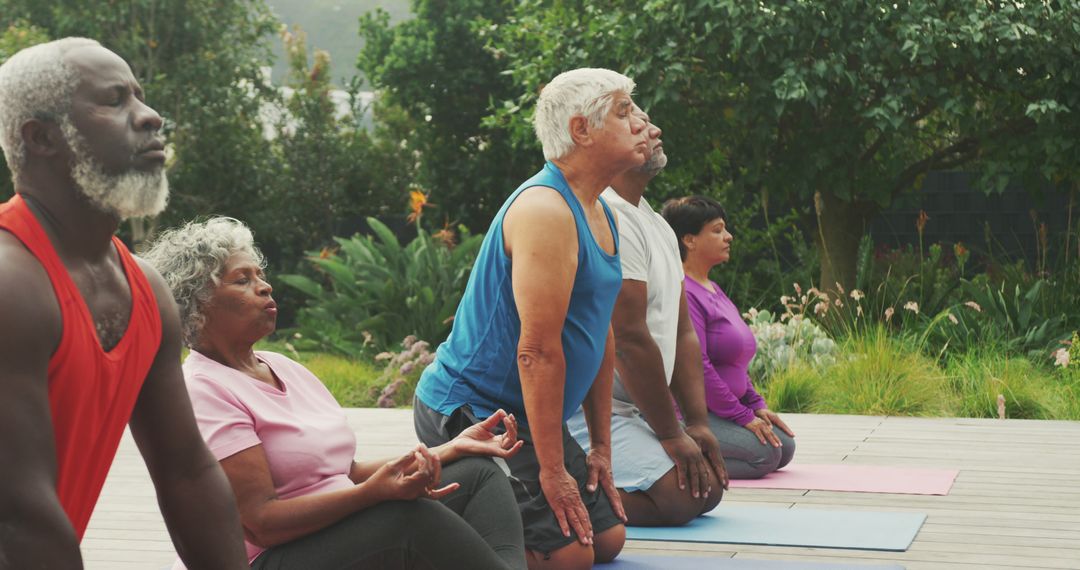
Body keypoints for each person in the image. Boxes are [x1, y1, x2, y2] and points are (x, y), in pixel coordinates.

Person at [143, 216, 529, 570]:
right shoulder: (204, 389)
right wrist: (373, 497)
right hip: (267, 558)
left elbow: (345, 473)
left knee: (478, 474)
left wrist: (451, 449)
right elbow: (262, 524)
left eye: (260, 275)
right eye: (242, 280)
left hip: (338, 529)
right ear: (197, 304)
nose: (265, 286)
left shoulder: (286, 368)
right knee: (407, 520)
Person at [0, 38, 248, 567]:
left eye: (140, 96)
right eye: (114, 102)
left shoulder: (144, 290)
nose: (151, 116)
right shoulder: (11, 284)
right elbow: (17, 517)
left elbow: (188, 473)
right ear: (42, 137)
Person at [412, 67, 648, 570]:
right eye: (624, 111)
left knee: (608, 540)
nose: (641, 122)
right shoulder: (545, 209)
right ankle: (411, 536)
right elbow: (536, 351)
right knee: (568, 557)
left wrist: (600, 447)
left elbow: (599, 333)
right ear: (582, 130)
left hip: (525, 409)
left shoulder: (600, 211)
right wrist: (552, 469)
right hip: (472, 410)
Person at [567, 107, 727, 526]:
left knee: (704, 491)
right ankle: (534, 495)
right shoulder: (610, 215)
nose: (655, 130)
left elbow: (682, 330)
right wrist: (672, 434)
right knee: (683, 498)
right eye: (637, 125)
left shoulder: (655, 222)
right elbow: (629, 338)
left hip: (630, 408)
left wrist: (696, 422)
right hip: (585, 411)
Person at [661, 196, 796, 479]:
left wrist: (756, 405)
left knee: (784, 446)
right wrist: (741, 416)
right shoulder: (684, 291)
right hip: (691, 415)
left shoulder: (713, 289)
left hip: (723, 410)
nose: (728, 236)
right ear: (689, 240)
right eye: (717, 229)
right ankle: (671, 463)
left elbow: (733, 362)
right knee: (764, 454)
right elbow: (698, 366)